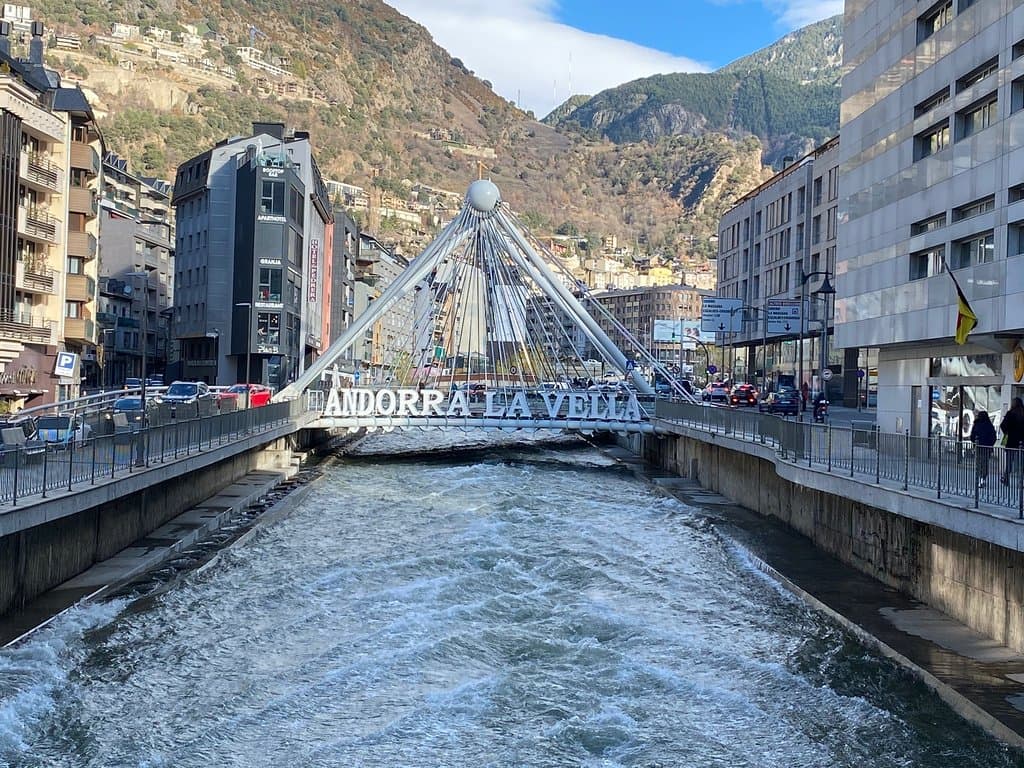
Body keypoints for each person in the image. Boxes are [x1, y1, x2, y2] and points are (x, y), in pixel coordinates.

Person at [970, 409, 997, 488]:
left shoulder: (976, 424)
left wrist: (975, 442)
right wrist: (990, 444)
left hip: (978, 447)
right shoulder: (989, 425)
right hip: (987, 448)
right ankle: (983, 479)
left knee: (979, 464)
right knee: (984, 464)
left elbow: (972, 436)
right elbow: (993, 437)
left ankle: (979, 478)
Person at [1001, 397, 1024, 485]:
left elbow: (1003, 425)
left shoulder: (1010, 414)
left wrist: (1007, 432)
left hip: (1011, 441)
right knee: (1021, 463)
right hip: (1022, 442)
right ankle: (1021, 481)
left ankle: (1006, 479)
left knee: (1009, 462)